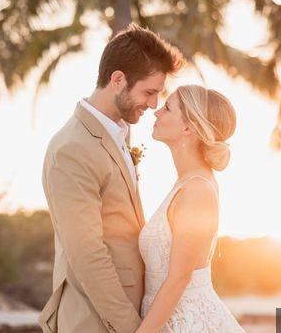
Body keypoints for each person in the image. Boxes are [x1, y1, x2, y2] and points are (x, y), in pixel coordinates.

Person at [39, 24, 184, 333]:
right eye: (149, 92)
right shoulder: (72, 149)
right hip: (93, 321)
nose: (154, 104)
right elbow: (87, 254)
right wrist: (132, 329)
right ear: (118, 80)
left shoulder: (113, 135)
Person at [137, 85, 245, 333]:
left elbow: (179, 278)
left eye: (167, 108)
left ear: (189, 127)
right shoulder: (187, 183)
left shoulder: (197, 191)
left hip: (188, 323)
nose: (156, 113)